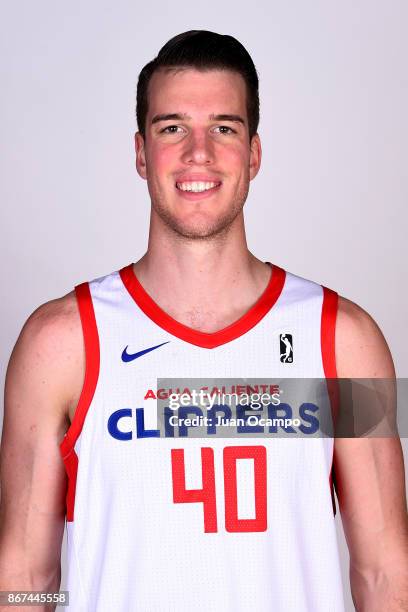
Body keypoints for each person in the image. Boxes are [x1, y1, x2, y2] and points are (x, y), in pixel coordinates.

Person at [0, 30, 407, 612]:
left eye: (224, 128)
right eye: (172, 129)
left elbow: (387, 573)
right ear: (141, 153)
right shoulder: (57, 345)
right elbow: (23, 577)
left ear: (255, 153)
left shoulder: (347, 340)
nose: (199, 153)